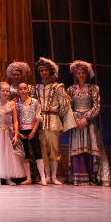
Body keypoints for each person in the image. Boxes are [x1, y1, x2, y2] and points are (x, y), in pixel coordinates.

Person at [67, 60, 111, 186]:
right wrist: (76, 118)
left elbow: (97, 107)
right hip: (76, 122)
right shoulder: (71, 90)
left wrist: (86, 118)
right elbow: (69, 107)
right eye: (78, 73)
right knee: (77, 148)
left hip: (89, 122)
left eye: (83, 73)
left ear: (87, 74)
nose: (80, 75)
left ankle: (94, 176)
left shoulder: (93, 89)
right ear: (75, 74)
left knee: (92, 146)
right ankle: (79, 177)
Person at [34, 57, 76, 185]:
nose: (43, 73)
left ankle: (54, 176)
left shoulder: (58, 87)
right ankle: (46, 176)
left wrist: (63, 109)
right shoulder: (37, 88)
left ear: (51, 72)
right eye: (41, 70)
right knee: (43, 149)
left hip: (53, 120)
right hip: (41, 121)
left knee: (54, 149)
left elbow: (64, 105)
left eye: (46, 70)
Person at [0, 82, 25, 185]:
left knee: (9, 155)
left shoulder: (12, 104)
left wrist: (16, 135)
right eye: (3, 90)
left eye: (7, 91)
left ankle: (8, 178)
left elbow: (15, 121)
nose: (5, 92)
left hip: (9, 132)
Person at [17, 83, 47, 185]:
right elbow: (15, 119)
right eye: (21, 89)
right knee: (25, 154)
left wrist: (33, 132)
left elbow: (38, 118)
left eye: (25, 88)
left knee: (37, 152)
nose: (23, 91)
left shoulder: (34, 102)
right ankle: (28, 178)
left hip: (32, 130)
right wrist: (18, 133)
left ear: (28, 89)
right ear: (18, 91)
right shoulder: (16, 103)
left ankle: (42, 177)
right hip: (22, 131)